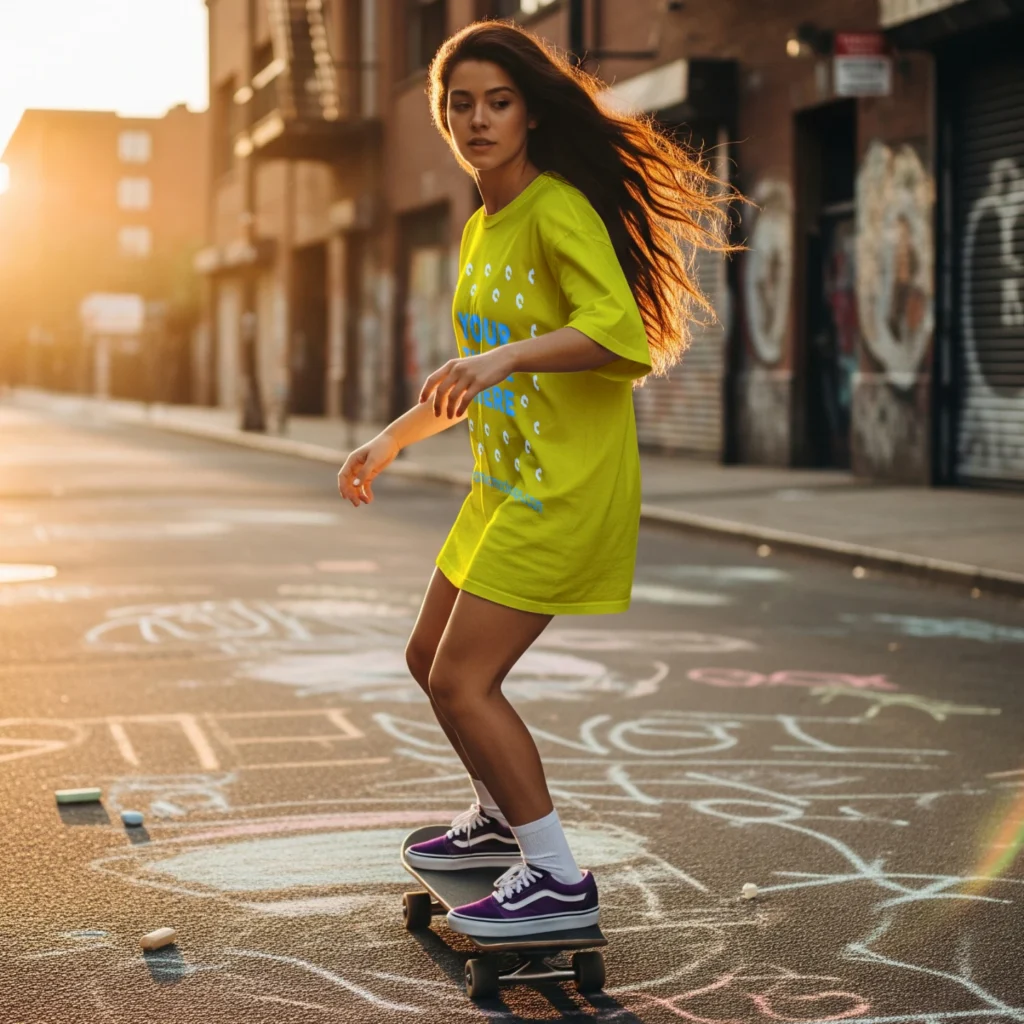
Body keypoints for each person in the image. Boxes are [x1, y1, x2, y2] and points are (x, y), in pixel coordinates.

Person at [337, 19, 734, 938]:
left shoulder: (557, 207)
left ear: (528, 114)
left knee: (466, 681)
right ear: (444, 119)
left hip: (564, 488)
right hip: (504, 483)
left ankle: (555, 875)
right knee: (425, 663)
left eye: (498, 102)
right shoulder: (481, 225)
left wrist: (509, 357)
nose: (478, 119)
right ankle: (493, 823)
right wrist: (392, 438)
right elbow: (477, 370)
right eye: (460, 104)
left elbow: (618, 336)